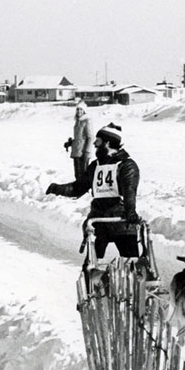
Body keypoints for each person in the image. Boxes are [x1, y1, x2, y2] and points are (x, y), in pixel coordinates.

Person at [46, 122, 141, 260]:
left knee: (132, 263)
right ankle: (95, 279)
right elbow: (78, 188)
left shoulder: (126, 165)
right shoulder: (95, 166)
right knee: (91, 267)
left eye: (98, 140)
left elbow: (129, 191)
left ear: (107, 143)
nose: (95, 144)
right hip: (99, 221)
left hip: (121, 220)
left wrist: (130, 211)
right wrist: (58, 189)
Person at [65, 100, 93, 180]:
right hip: (76, 152)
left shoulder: (87, 122)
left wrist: (86, 152)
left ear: (84, 111)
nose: (79, 111)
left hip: (83, 153)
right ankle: (78, 191)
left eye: (81, 109)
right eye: (77, 109)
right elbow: (79, 138)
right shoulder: (77, 122)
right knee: (77, 175)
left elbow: (90, 138)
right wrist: (70, 143)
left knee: (83, 176)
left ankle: (85, 191)